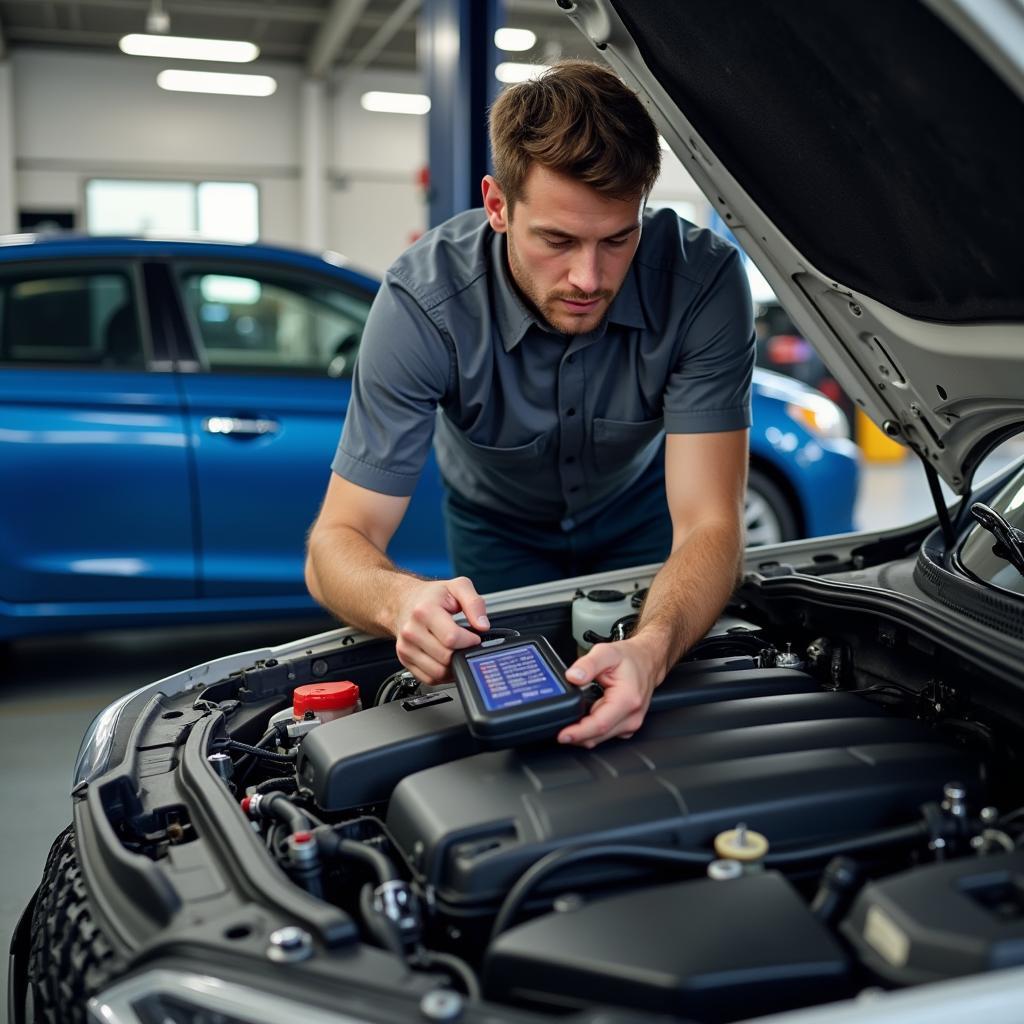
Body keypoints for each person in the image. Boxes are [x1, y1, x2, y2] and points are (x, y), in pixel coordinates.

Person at [306, 60, 754, 748]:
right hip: (496, 531)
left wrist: (654, 645)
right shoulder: (422, 305)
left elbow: (709, 525)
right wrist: (401, 602)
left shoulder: (703, 285)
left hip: (639, 525)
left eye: (617, 239)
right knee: (512, 731)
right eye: (557, 240)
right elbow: (337, 542)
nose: (588, 277)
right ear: (496, 206)